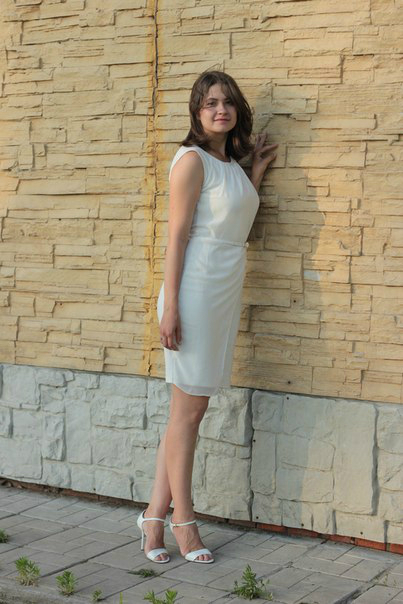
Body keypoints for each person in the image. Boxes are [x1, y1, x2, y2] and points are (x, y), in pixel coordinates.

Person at [137, 70, 278, 564]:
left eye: (228, 102)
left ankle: (152, 519)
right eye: (211, 102)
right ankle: (184, 521)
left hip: (223, 290)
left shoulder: (229, 164)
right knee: (189, 413)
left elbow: (235, 222)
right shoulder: (192, 160)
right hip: (193, 291)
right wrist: (172, 305)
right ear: (197, 111)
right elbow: (177, 237)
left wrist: (254, 172)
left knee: (186, 412)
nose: (221, 110)